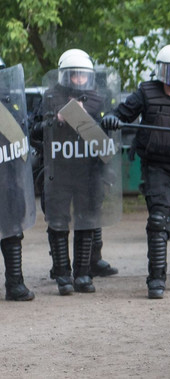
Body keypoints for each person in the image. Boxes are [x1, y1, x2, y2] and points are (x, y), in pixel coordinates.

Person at [101, 44, 170, 299]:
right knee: (158, 220)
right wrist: (111, 118)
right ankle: (156, 278)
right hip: (156, 165)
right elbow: (120, 113)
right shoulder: (146, 91)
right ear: (162, 72)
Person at [31, 49, 118, 295]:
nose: (78, 80)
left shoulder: (99, 100)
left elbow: (108, 140)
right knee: (57, 223)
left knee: (87, 221)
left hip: (88, 173)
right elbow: (33, 131)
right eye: (74, 75)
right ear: (64, 75)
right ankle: (62, 276)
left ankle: (82, 274)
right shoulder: (49, 98)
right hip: (58, 172)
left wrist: (107, 121)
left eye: (83, 76)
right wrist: (54, 121)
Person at [0, 60, 35, 301]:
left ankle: (15, 284)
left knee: (12, 232)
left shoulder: (9, 107)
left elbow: (21, 146)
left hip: (8, 182)